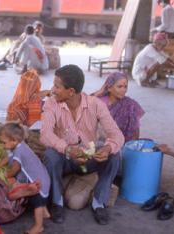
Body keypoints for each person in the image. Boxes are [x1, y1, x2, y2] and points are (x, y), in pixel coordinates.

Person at [40, 65, 124, 225]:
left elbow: (116, 134)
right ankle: (57, 202)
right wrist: (67, 149)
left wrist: (107, 148)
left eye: (57, 86)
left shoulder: (95, 104)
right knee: (50, 155)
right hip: (65, 158)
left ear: (71, 91)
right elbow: (45, 134)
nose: (53, 89)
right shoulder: (51, 103)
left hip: (89, 158)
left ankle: (99, 202)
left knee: (115, 154)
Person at [0, 122, 50, 234]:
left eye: (3, 143)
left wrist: (4, 175)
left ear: (14, 140)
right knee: (41, 200)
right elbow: (8, 157)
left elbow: (15, 169)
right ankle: (45, 213)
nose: (2, 146)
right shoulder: (21, 146)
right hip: (44, 178)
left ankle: (38, 226)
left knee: (37, 203)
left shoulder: (19, 151)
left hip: (38, 183)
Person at [92, 72, 145, 142]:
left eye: (125, 87)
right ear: (109, 88)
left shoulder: (130, 104)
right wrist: (98, 92)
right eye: (119, 86)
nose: (123, 90)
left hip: (122, 141)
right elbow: (84, 107)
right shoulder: (100, 101)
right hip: (100, 140)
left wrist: (132, 145)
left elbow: (135, 129)